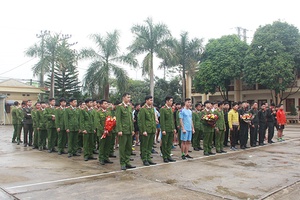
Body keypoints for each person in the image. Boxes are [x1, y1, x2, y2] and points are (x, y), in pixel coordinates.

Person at [116, 93, 136, 170]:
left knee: (128, 147)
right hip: (123, 131)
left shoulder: (129, 107)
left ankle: (127, 162)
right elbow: (118, 120)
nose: (129, 99)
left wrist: (132, 129)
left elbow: (131, 119)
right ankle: (123, 163)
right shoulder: (119, 107)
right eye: (128, 97)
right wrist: (119, 130)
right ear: (123, 97)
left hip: (129, 130)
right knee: (122, 147)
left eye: (130, 97)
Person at [138, 95, 157, 166]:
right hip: (146, 130)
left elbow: (153, 119)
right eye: (150, 100)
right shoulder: (143, 109)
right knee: (145, 145)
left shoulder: (152, 108)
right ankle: (144, 159)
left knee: (150, 145)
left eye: (152, 100)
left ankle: (149, 158)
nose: (151, 101)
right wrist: (144, 130)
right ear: (146, 101)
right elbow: (142, 121)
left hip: (152, 129)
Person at [95, 99, 113, 165]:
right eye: (105, 103)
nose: (106, 105)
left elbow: (111, 121)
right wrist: (103, 130)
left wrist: (109, 129)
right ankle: (101, 158)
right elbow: (97, 123)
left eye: (107, 103)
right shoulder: (98, 112)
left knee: (107, 145)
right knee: (102, 146)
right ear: (101, 104)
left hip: (109, 132)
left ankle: (106, 157)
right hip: (102, 132)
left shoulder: (108, 112)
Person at [160, 96, 176, 163]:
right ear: (167, 101)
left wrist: (174, 128)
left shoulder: (170, 109)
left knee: (170, 143)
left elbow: (172, 120)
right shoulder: (163, 109)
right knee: (164, 143)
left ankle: (168, 155)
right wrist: (163, 129)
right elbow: (162, 120)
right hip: (166, 129)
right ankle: (165, 157)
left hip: (171, 129)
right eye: (170, 101)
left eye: (172, 101)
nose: (171, 102)